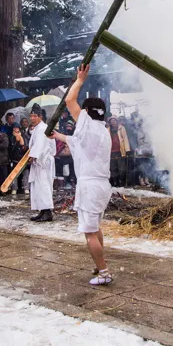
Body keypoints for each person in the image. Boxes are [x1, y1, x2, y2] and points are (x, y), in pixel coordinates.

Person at [52, 65, 114, 285]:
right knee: (94, 228)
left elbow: (69, 101)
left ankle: (104, 271)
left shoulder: (87, 123)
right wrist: (58, 135)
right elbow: (76, 143)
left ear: (87, 113)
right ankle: (100, 266)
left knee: (89, 232)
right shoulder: (103, 131)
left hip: (90, 185)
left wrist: (79, 80)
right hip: (102, 185)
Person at [28, 105, 55, 221]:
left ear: (40, 116)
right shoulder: (38, 128)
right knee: (39, 186)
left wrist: (33, 155)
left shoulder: (42, 128)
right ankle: (42, 210)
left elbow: (40, 145)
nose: (32, 118)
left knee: (44, 186)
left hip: (44, 161)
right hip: (39, 160)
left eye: (34, 116)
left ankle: (47, 212)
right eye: (31, 116)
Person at [107, 117, 129, 187]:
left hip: (120, 151)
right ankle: (116, 183)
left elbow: (125, 138)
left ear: (117, 121)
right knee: (113, 169)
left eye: (114, 120)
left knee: (122, 169)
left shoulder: (121, 128)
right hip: (111, 152)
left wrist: (127, 150)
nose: (113, 122)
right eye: (111, 121)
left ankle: (122, 183)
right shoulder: (107, 129)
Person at [8, 125, 28, 195]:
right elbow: (10, 149)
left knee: (25, 174)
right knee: (14, 175)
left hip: (23, 159)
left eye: (17, 128)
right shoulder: (11, 137)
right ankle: (14, 189)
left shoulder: (24, 136)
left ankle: (26, 188)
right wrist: (16, 141)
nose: (16, 129)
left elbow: (25, 147)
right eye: (14, 128)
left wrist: (21, 138)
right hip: (14, 159)